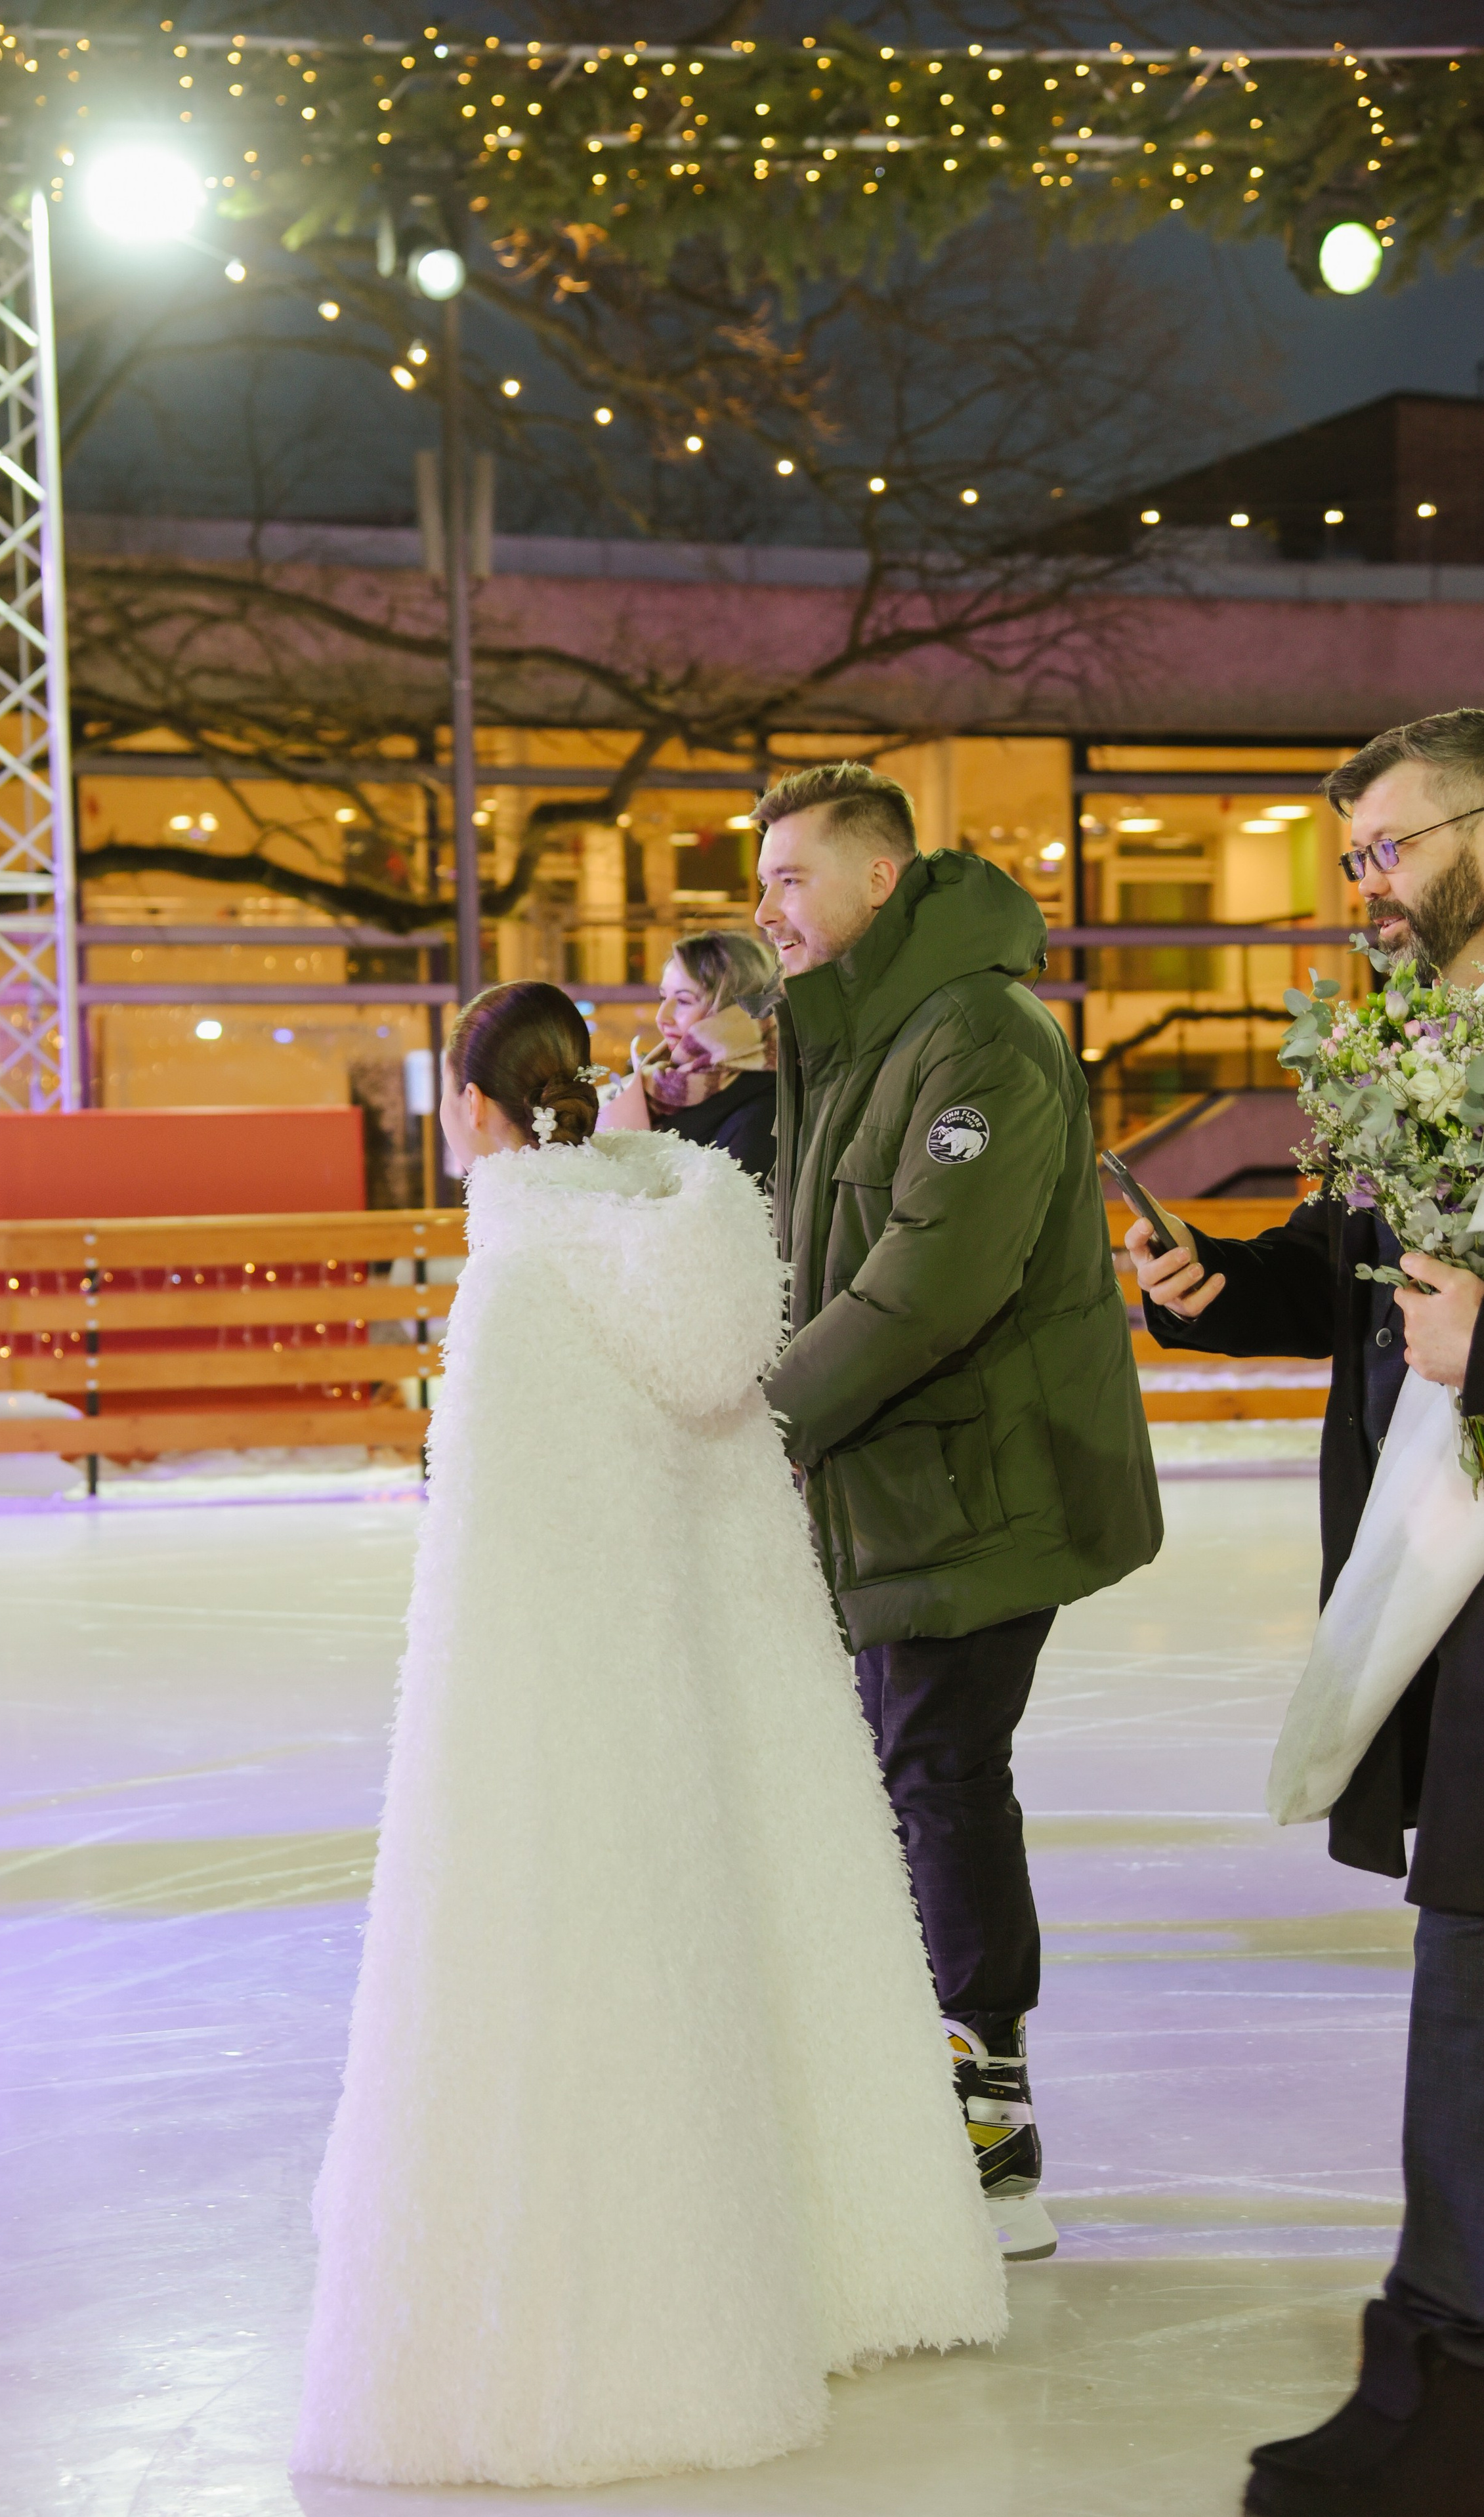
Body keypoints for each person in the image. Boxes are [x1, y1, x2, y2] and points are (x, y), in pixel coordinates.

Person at [294, 979, 1005, 2492]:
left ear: (475, 1112)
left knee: (607, 2005)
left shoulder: (519, 1272)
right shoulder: (690, 1235)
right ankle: (828, 2268)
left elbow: (499, 1566)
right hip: (722, 1723)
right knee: (750, 1956)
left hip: (578, 1734)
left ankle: (641, 2334)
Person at [1131, 708, 1484, 2517]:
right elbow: (1366, 1274)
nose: (1371, 886)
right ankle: (1438, 2359)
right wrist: (1217, 1286)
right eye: (1352, 857)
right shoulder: (1422, 1037)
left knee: (1473, 1958)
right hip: (1440, 1553)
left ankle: (1447, 2376)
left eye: (1397, 845)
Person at [755, 759, 1162, 2265]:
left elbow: (928, 1280)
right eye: (759, 880)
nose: (765, 908)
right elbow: (822, 1253)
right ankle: (931, 2084)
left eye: (791, 876)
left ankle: (988, 2112)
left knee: (936, 1765)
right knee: (902, 1768)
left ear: (877, 879)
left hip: (979, 1480)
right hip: (897, 1488)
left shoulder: (976, 1034)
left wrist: (765, 1419)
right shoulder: (860, 1039)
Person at [598, 928, 779, 1181]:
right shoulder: (658, 1081)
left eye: (684, 1001)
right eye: (663, 997)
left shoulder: (767, 1110)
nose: (662, 1017)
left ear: (734, 1014)